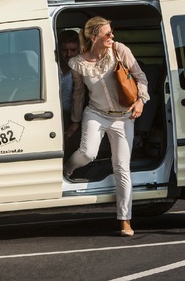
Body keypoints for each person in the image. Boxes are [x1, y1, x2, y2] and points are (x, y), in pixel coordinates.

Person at [64, 16, 149, 237]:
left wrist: (140, 100)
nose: (112, 37)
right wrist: (75, 121)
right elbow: (78, 93)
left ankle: (125, 220)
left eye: (112, 33)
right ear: (94, 37)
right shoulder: (78, 63)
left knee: (121, 166)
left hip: (123, 117)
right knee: (87, 153)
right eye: (107, 34)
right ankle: (67, 169)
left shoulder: (119, 50)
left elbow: (141, 77)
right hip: (96, 113)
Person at [58, 30, 80, 158]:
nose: (68, 54)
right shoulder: (51, 67)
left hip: (74, 117)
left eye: (73, 50)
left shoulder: (82, 70)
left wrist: (76, 122)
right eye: (64, 50)